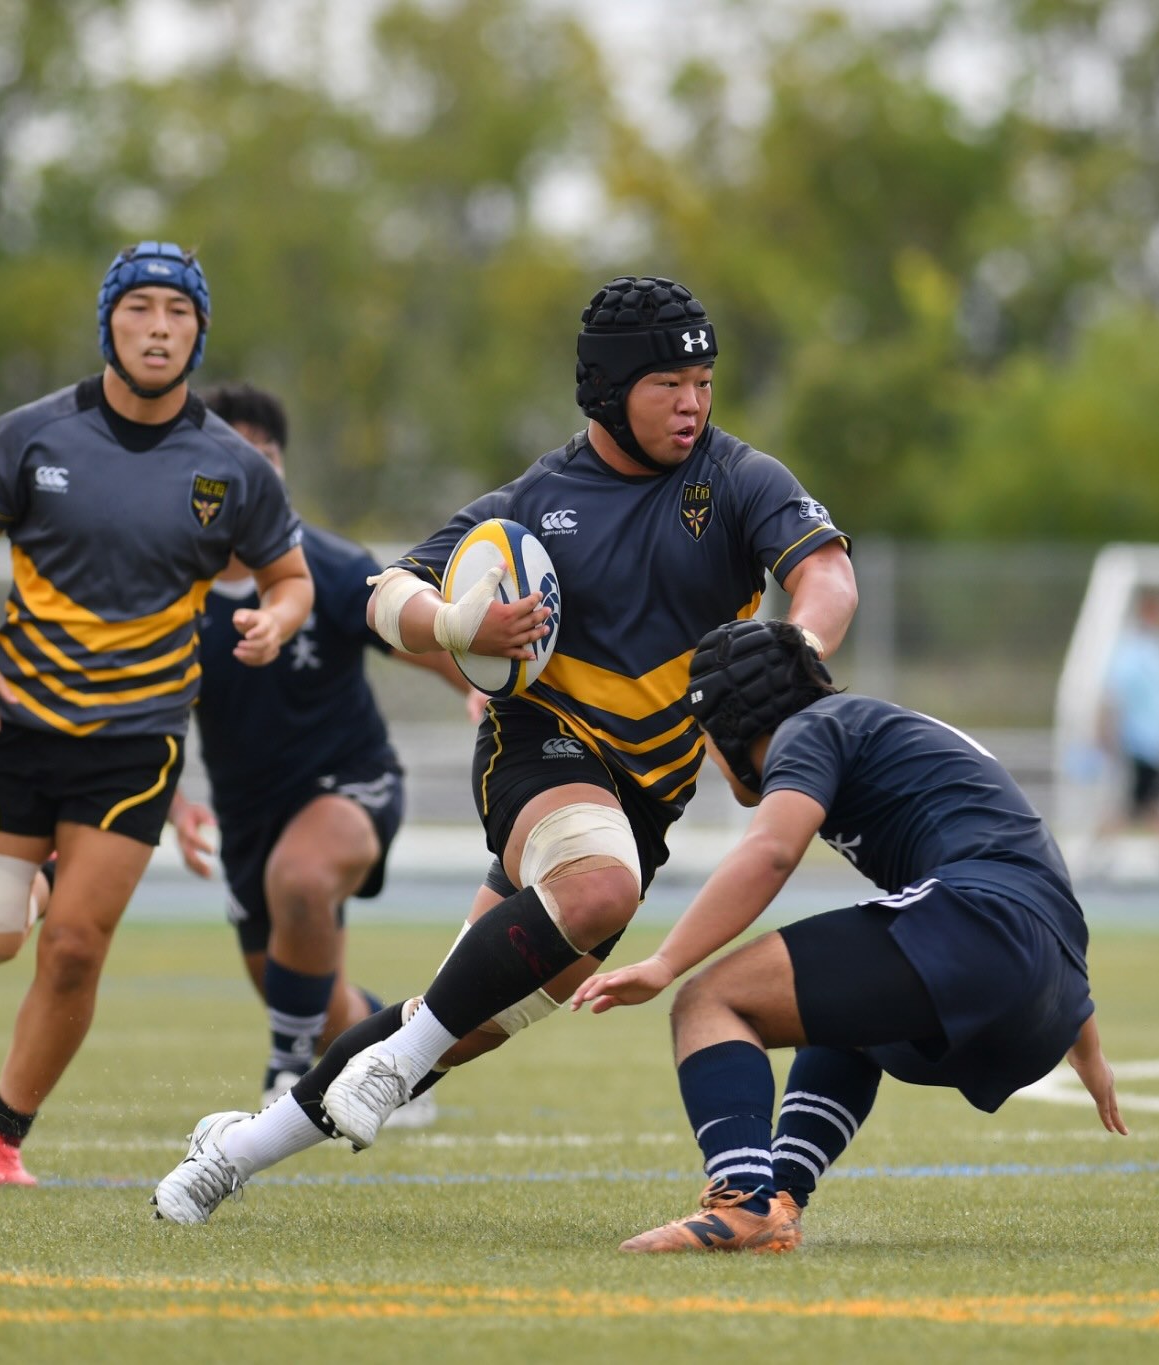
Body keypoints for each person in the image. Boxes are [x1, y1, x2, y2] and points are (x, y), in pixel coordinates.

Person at [152, 274, 858, 1223]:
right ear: (609, 388)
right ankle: (396, 1070)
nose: (692, 403)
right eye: (667, 384)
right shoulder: (538, 498)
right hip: (541, 747)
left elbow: (827, 574)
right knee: (597, 889)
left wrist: (796, 643)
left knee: (457, 1022)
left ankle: (234, 1148)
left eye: (703, 381)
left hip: (646, 800)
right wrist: (458, 624)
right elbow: (384, 593)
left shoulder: (738, 479)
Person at [0, 243, 311, 1188]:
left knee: (73, 948)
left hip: (137, 740)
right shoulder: (32, 437)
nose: (158, 328)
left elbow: (291, 578)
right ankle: (39, 874)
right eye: (139, 308)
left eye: (178, 313)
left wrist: (277, 620)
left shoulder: (232, 466)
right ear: (109, 322)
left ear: (198, 333)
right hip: (16, 722)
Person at [569, 620, 1125, 1253]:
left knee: (708, 1001)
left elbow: (773, 851)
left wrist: (666, 962)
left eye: (705, 735)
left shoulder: (810, 728)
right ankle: (780, 1198)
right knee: (846, 1014)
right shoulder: (869, 726)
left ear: (730, 724)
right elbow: (1043, 895)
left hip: (982, 924)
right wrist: (1086, 1048)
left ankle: (743, 1204)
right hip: (1052, 996)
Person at [28, 382, 475, 1123]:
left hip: (351, 783)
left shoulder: (327, 565)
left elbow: (412, 636)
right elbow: (131, 715)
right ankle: (398, 1067)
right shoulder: (166, 586)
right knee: (306, 989)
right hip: (246, 815)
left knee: (301, 879)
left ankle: (285, 1071)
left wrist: (479, 689)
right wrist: (174, 805)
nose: (250, 472)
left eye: (264, 456)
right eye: (231, 455)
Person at [1094, 588, 1159, 881]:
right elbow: (1114, 696)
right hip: (1140, 742)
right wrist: (1105, 730)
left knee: (1141, 804)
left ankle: (1098, 856)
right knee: (1150, 803)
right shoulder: (1131, 651)